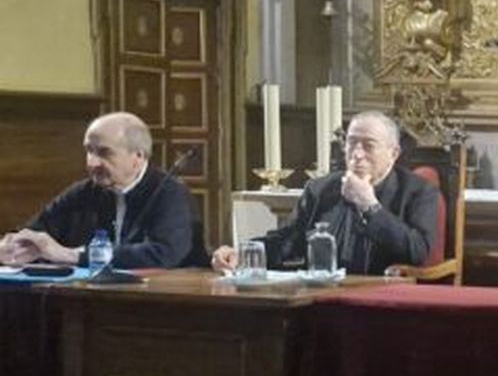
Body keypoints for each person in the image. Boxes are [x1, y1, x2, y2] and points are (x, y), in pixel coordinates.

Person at [212, 111, 440, 276]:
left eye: (368, 145)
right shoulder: (321, 188)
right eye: (351, 144)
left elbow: (417, 252)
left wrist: (370, 206)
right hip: (319, 294)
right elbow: (288, 240)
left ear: (394, 153)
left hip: (381, 295)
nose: (357, 154)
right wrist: (243, 254)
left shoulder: (418, 191)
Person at [0, 113, 193, 269]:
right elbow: (37, 231)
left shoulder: (169, 192)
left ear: (138, 157)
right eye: (88, 151)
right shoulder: (83, 192)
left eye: (103, 153)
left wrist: (72, 255)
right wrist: (12, 248)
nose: (91, 163)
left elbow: (164, 254)